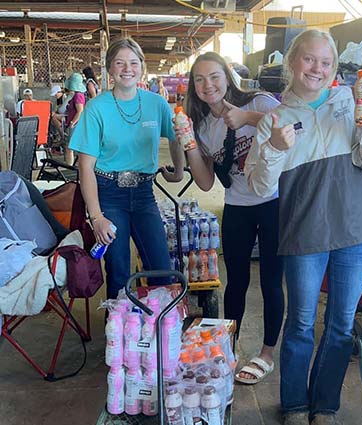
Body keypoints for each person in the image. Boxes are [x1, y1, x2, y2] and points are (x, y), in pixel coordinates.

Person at [245, 29, 362, 425]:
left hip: (355, 232)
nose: (318, 69)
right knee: (302, 323)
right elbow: (259, 186)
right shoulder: (274, 119)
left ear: (334, 66)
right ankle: (293, 404)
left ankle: (324, 405)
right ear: (292, 62)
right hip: (306, 235)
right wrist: (274, 147)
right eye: (309, 59)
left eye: (326, 62)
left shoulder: (349, 101)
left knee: (342, 326)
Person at [178, 51, 284, 385]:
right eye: (199, 79)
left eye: (214, 76)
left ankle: (267, 353)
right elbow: (207, 181)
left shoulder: (262, 102)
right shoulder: (203, 125)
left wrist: (247, 118)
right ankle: (231, 347)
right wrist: (189, 144)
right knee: (235, 281)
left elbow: (293, 127)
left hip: (274, 202)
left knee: (271, 279)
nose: (208, 85)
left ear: (227, 77)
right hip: (237, 205)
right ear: (193, 87)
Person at [69, 38, 184, 300]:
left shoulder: (157, 104)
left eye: (133, 62)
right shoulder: (97, 108)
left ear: (142, 67)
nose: (127, 68)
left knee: (162, 271)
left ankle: (158, 330)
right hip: (109, 193)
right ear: (110, 69)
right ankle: (119, 333)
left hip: (144, 194)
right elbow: (85, 166)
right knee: (119, 271)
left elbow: (175, 137)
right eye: (119, 63)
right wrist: (97, 217)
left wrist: (178, 171)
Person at [64, 73, 86, 165]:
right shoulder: (76, 95)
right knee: (70, 147)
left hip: (76, 124)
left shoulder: (78, 96)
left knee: (70, 147)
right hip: (75, 124)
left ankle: (70, 166)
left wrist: (73, 122)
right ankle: (71, 165)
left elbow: (80, 111)